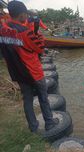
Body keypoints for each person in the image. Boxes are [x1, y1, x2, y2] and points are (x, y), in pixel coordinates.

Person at [0, 1, 58, 132]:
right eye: (25, 14)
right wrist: (39, 35)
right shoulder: (26, 32)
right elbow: (40, 49)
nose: (26, 17)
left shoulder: (3, 31)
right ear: (21, 15)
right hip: (33, 71)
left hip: (17, 72)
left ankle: (33, 127)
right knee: (43, 98)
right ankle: (49, 123)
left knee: (27, 100)